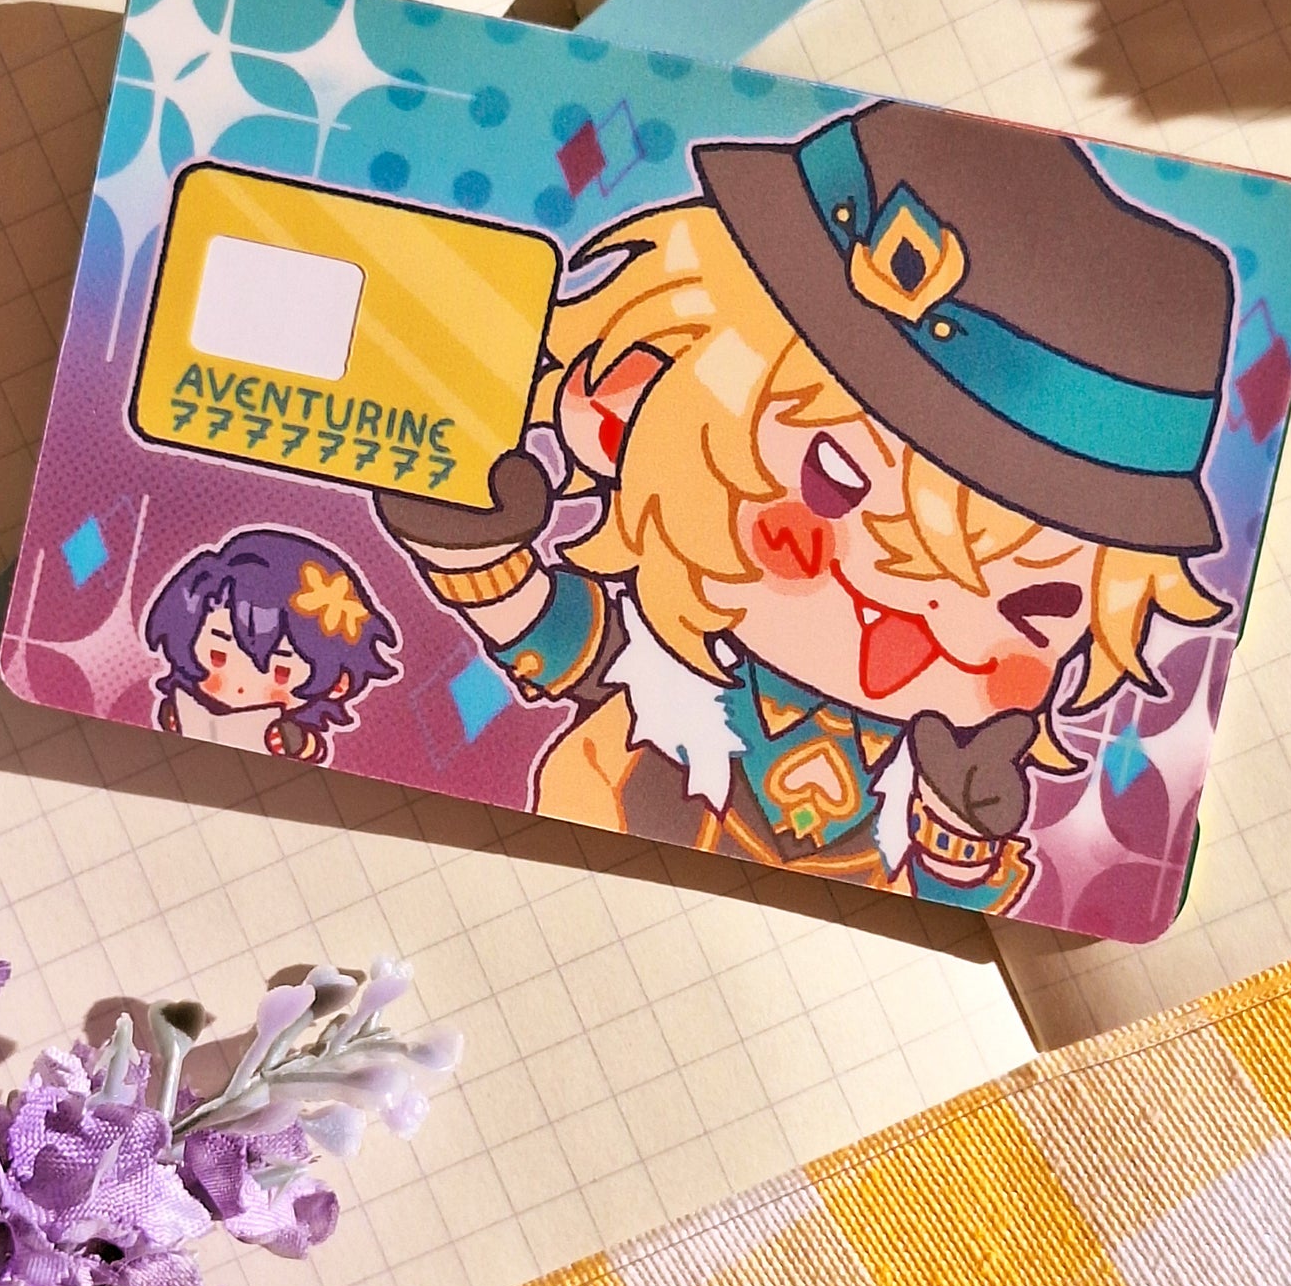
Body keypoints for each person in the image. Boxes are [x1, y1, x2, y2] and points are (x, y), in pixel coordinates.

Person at [380, 100, 1231, 909]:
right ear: (634, 396)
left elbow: (955, 891)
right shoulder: (673, 671)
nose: (916, 609)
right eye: (834, 480)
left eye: (1030, 607)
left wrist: (962, 826)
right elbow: (573, 642)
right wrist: (476, 555)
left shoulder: (929, 764)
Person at [145, 528, 398, 762]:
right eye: (218, 656)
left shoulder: (287, 736)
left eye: (281, 673)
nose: (241, 685)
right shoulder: (178, 707)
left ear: (338, 685)